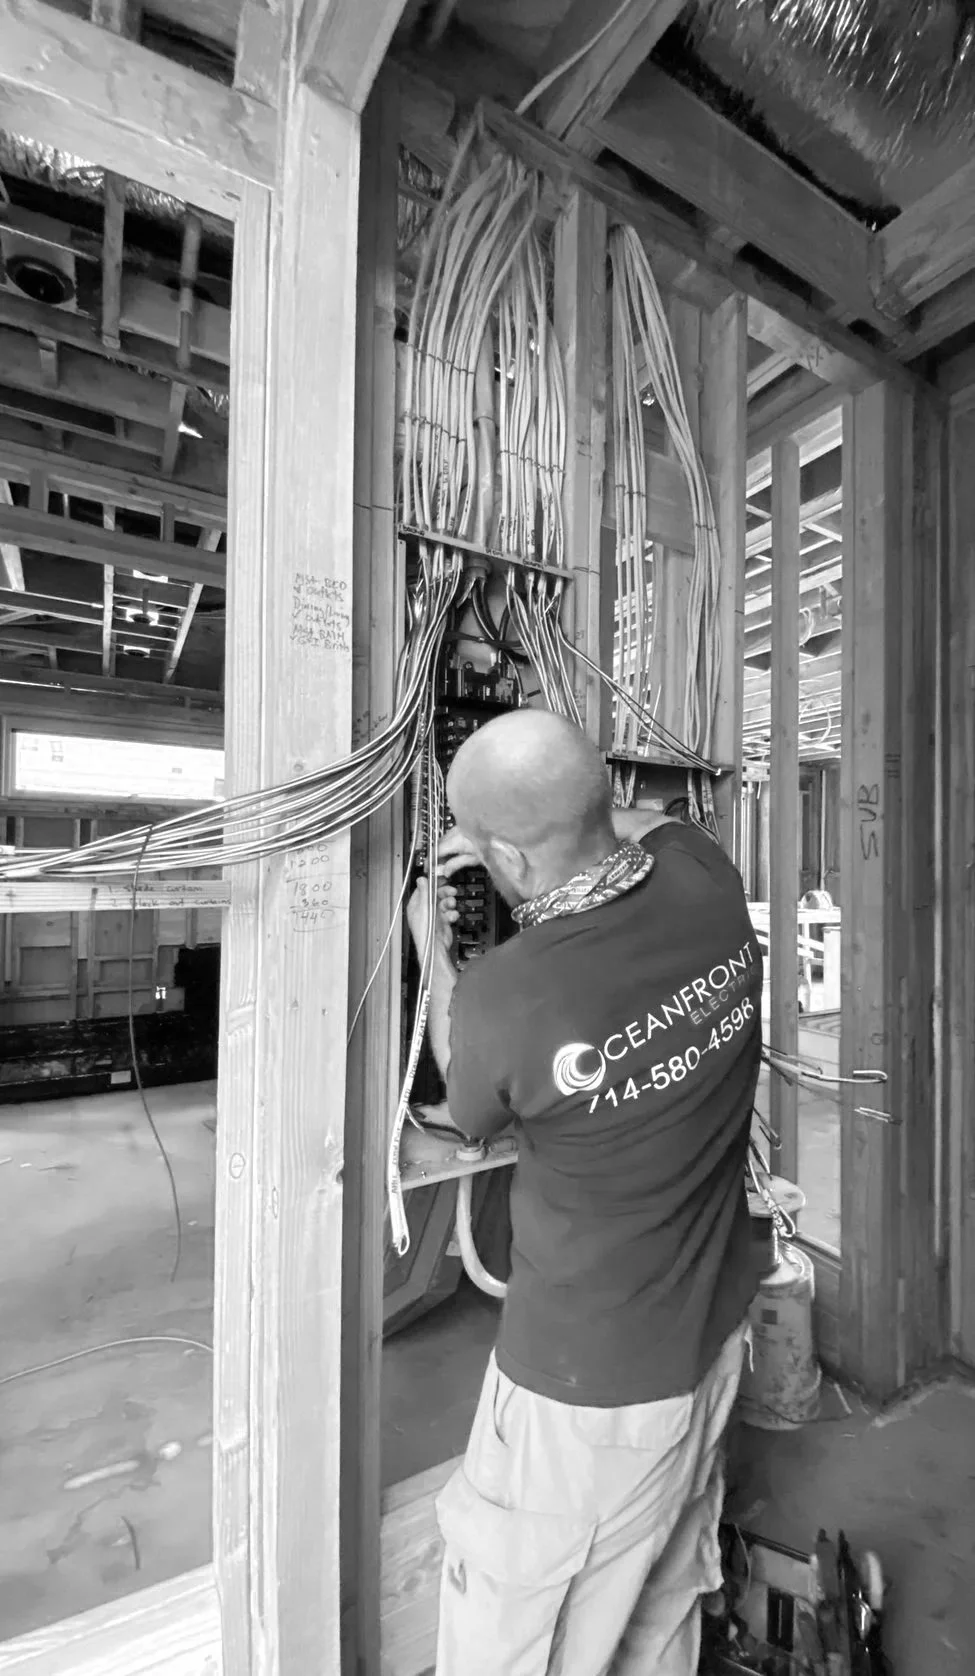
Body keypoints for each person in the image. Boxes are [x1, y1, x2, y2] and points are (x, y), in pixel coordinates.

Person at [405, 708, 763, 1676]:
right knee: (661, 1602)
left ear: (507, 862)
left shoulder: (507, 994)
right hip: (716, 1329)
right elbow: (643, 825)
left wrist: (430, 948)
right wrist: (539, 822)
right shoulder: (709, 877)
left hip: (589, 1389)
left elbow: (464, 1105)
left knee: (520, 1638)